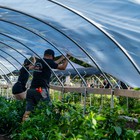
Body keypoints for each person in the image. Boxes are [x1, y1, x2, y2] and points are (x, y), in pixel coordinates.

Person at [22, 49, 70, 121]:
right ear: (51, 56)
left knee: (28, 111)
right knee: (48, 109)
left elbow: (52, 64)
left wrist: (61, 58)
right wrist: (67, 58)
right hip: (40, 90)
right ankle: (47, 127)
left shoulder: (39, 61)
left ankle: (22, 127)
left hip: (31, 90)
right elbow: (63, 67)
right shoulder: (48, 62)